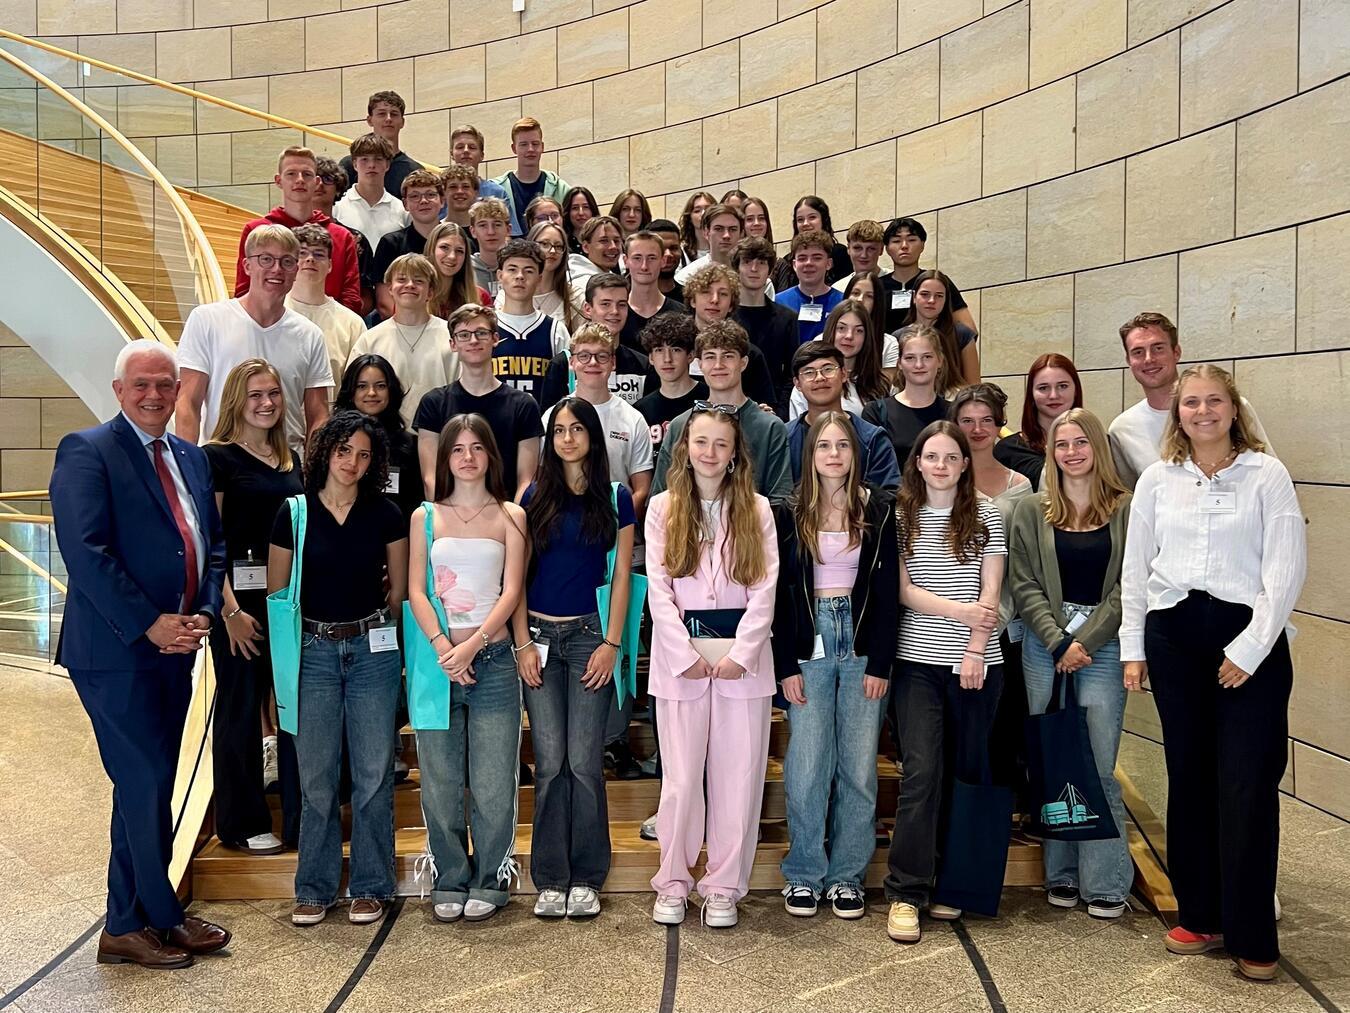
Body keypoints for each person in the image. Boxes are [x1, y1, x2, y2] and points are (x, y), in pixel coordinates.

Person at [1119, 364, 1305, 981]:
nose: (1202, 412)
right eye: (1191, 403)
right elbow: (1137, 567)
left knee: (1247, 784)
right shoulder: (1157, 479)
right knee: (1191, 779)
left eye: (1213, 401)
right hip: (1174, 640)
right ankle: (1199, 914)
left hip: (1247, 641)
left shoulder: (1265, 474)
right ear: (1177, 414)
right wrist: (1133, 647)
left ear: (1234, 409)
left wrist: (1249, 649)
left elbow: (1286, 569)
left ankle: (1253, 932)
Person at [50, 340, 229, 970]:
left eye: (165, 384)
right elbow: (86, 553)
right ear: (120, 390)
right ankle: (158, 914)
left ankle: (127, 924)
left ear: (179, 388)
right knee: (146, 779)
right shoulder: (87, 451)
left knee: (145, 785)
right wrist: (149, 623)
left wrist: (206, 610)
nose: (154, 395)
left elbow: (211, 542)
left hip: (179, 645)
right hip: (115, 651)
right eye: (142, 385)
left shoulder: (189, 456)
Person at [267, 411, 407, 928]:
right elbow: (279, 594)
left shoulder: (386, 513)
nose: (352, 462)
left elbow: (400, 588)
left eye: (364, 454)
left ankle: (372, 884)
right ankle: (316, 886)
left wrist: (381, 637)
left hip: (373, 651)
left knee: (373, 774)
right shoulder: (294, 513)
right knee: (317, 777)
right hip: (313, 654)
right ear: (325, 450)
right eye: (344, 450)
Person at [645, 404, 779, 928]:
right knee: (679, 781)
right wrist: (684, 653)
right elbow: (658, 588)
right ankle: (674, 882)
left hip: (742, 666)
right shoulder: (663, 507)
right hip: (683, 664)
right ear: (685, 448)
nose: (710, 453)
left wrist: (741, 654)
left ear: (734, 454)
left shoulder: (758, 509)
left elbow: (765, 589)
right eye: (701, 442)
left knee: (738, 779)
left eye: (721, 444)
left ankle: (723, 885)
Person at [884, 420, 1006, 944]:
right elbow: (906, 593)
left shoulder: (986, 514)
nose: (940, 465)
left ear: (963, 462)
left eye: (950, 457)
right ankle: (906, 890)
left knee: (966, 772)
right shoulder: (901, 516)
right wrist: (965, 615)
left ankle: (955, 884)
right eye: (931, 456)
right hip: (917, 664)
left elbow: (992, 591)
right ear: (918, 463)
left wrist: (975, 648)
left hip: (977, 666)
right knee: (922, 774)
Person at [512, 397, 635, 918]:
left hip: (590, 639)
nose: (567, 438)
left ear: (592, 436)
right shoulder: (532, 494)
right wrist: (521, 644)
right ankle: (550, 877)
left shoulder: (616, 496)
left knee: (584, 763)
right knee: (549, 764)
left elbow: (625, 574)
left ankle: (587, 874)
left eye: (576, 429)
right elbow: (513, 580)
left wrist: (611, 643)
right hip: (538, 637)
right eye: (558, 430)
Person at [1010, 408, 1133, 920]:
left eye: (1081, 443)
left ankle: (1105, 880)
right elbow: (1022, 581)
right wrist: (1058, 641)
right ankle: (1060, 873)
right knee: (1054, 758)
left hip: (1104, 648)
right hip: (1045, 646)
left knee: (1098, 765)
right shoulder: (1030, 511)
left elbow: (1135, 584)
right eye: (1062, 445)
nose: (1071, 453)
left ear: (1098, 448)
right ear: (1051, 452)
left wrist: (1088, 638)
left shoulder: (1127, 509)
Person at [774, 411, 899, 919]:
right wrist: (785, 663)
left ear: (856, 454)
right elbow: (779, 594)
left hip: (862, 644)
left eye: (842, 447)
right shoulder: (788, 513)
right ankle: (804, 872)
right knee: (807, 763)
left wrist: (882, 663)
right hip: (811, 641)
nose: (833, 455)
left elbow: (889, 593)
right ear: (810, 453)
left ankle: (847, 875)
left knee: (858, 765)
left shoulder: (879, 511)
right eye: (823, 446)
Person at [406, 415, 528, 922]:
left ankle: (491, 876)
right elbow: (415, 588)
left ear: (490, 456)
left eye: (478, 448)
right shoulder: (424, 515)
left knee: (495, 779)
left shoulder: (511, 515)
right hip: (438, 665)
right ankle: (450, 875)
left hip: (494, 662)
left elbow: (512, 590)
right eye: (458, 449)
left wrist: (473, 646)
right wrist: (443, 648)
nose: (468, 457)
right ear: (446, 457)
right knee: (438, 778)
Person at [204, 359, 303, 858]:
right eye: (255, 395)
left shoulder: (292, 461)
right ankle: (240, 823)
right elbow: (209, 539)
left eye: (274, 394)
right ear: (236, 402)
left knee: (291, 708)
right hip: (239, 609)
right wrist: (227, 611)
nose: (266, 403)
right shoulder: (216, 457)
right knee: (241, 709)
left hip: (287, 605)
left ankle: (298, 816)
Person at [178, 225, 332, 452]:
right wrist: (187, 467)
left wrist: (312, 472)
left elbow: (318, 416)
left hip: (286, 467)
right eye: (266, 259)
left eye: (287, 261)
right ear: (247, 266)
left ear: (296, 270)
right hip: (223, 462)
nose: (277, 269)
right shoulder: (207, 319)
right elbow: (188, 403)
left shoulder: (310, 335)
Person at [1108, 312, 1273, 489]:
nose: (1149, 359)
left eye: (1158, 348)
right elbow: (1130, 499)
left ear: (1176, 352)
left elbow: (1270, 476)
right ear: (1128, 361)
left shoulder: (1227, 409)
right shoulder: (1122, 429)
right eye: (1138, 352)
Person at [652, 320, 793, 505]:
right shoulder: (681, 425)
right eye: (710, 357)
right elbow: (661, 496)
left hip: (751, 530)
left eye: (728, 356)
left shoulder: (770, 427)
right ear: (700, 364)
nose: (718, 365)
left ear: (743, 363)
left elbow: (780, 500)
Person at [414, 304, 544, 502]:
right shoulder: (433, 403)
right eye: (464, 335)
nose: (473, 340)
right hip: (449, 519)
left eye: (481, 333)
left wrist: (512, 520)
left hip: (507, 517)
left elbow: (525, 481)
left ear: (495, 339)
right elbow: (431, 479)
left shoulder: (524, 405)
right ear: (453, 344)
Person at [235, 146, 362, 313]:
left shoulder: (341, 236)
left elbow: (351, 297)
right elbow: (244, 290)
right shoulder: (257, 230)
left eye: (307, 174)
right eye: (291, 174)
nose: (300, 180)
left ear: (316, 182)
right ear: (279, 181)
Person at [544, 322, 653, 515]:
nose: (593, 363)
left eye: (602, 356)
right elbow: (542, 480)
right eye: (584, 356)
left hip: (619, 533)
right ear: (572, 362)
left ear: (613, 362)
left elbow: (641, 490)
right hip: (563, 530)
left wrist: (616, 528)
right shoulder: (552, 417)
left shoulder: (633, 419)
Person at [345, 253, 459, 427]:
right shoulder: (370, 340)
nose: (410, 285)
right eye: (402, 279)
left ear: (430, 292)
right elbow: (352, 396)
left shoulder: (451, 337)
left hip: (440, 437)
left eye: (419, 280)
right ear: (390, 289)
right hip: (383, 439)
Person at [787, 342, 900, 489]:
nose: (820, 378)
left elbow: (889, 495)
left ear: (844, 374)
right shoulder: (784, 438)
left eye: (828, 369)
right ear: (797, 383)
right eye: (809, 372)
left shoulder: (872, 439)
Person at [539, 273, 650, 410]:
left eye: (621, 305)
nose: (615, 311)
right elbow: (550, 421)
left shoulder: (643, 365)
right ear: (587, 309)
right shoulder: (562, 365)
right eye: (605, 304)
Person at [334, 354, 423, 521]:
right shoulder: (332, 442)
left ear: (391, 390)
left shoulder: (411, 445)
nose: (372, 393)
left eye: (380, 386)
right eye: (361, 386)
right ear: (350, 392)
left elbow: (415, 503)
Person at [682, 263, 779, 412]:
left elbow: (764, 403)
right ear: (693, 300)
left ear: (732, 305)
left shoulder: (749, 352)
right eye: (706, 292)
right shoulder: (676, 348)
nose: (714, 300)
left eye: (723, 294)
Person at [285, 223, 367, 394]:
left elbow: (357, 388)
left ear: (330, 265)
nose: (310, 259)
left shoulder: (352, 324)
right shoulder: (272, 312)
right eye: (302, 253)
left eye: (318, 254)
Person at [492, 238, 572, 404]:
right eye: (512, 270)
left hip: (541, 425)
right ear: (500, 275)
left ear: (539, 278)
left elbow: (569, 388)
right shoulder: (486, 327)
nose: (520, 276)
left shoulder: (555, 330)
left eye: (528, 271)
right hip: (491, 425)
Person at [863, 323, 950, 468]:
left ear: (939, 361)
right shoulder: (876, 412)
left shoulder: (954, 412)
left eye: (927, 357)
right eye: (910, 358)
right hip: (892, 491)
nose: (919, 365)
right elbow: (872, 470)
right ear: (899, 363)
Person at [789, 299, 890, 419]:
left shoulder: (880, 385)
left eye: (858, 331)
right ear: (830, 330)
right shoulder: (808, 381)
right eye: (841, 328)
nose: (849, 336)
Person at [994, 353, 1083, 489]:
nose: (1053, 395)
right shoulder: (1008, 451)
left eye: (1062, 386)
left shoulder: (1102, 445)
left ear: (1076, 390)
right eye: (1043, 388)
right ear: (1031, 394)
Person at [371, 170, 448, 318]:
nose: (423, 201)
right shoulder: (390, 244)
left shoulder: (457, 243)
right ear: (405, 204)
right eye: (415, 196)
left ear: (442, 201)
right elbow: (385, 303)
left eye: (430, 194)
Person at [733, 237, 797, 411]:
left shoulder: (787, 318)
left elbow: (791, 373)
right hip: (730, 408)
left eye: (761, 262)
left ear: (770, 269)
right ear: (736, 268)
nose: (754, 269)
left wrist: (779, 412)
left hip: (773, 409)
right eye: (747, 262)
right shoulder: (725, 317)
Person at [880, 217, 975, 335]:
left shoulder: (936, 282)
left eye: (911, 239)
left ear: (922, 245)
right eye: (896, 241)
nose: (904, 246)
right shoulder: (876, 286)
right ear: (887, 248)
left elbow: (968, 329)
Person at [312, 157, 376, 315]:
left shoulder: (355, 239)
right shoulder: (289, 234)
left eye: (327, 179)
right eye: (314, 178)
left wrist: (343, 321)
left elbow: (366, 294)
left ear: (338, 188)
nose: (320, 184)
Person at [636, 313, 706, 453]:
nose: (667, 359)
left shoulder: (710, 399)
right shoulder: (640, 411)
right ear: (650, 357)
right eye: (659, 350)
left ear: (691, 355)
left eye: (676, 350)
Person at [491, 117, 570, 237]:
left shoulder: (561, 188)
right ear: (514, 148)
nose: (530, 149)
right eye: (523, 144)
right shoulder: (496, 190)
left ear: (542, 147)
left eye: (535, 144)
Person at [902, 270, 980, 389]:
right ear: (914, 297)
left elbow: (974, 386)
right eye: (925, 294)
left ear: (946, 300)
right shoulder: (899, 336)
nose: (932, 300)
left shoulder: (962, 334)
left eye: (939, 296)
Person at [333, 134, 411, 251]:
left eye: (378, 159)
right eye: (364, 159)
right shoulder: (337, 208)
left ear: (387, 165)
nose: (371, 165)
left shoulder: (402, 210)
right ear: (354, 164)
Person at [338, 90, 420, 198]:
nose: (388, 119)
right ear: (370, 120)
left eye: (394, 114)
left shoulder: (413, 170)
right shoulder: (349, 165)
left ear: (402, 122)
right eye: (382, 114)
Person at [775, 230, 846, 345]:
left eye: (817, 258)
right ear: (794, 265)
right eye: (802, 258)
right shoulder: (779, 302)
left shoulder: (842, 303)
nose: (808, 263)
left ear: (828, 264)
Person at [771, 196, 853, 291]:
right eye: (800, 220)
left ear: (823, 220)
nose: (806, 223)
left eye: (812, 217)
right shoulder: (788, 260)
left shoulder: (840, 253)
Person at [622, 230, 685, 351]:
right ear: (626, 261)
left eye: (651, 258)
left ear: (662, 261)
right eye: (637, 258)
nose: (644, 266)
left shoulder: (681, 313)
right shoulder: (617, 314)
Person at [673, 203, 751, 287]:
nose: (726, 235)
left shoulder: (753, 275)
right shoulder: (687, 277)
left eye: (733, 229)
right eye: (719, 229)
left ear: (741, 234)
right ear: (706, 233)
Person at [524, 220, 581, 332]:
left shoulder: (574, 296)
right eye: (544, 244)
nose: (553, 250)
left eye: (558, 246)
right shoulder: (511, 293)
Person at [426, 221, 490, 319]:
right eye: (444, 247)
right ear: (431, 249)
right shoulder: (414, 294)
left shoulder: (480, 297)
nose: (452, 256)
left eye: (459, 251)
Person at [568, 216, 624, 307]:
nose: (613, 246)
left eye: (616, 241)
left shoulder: (613, 278)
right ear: (586, 247)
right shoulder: (581, 287)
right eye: (604, 241)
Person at [449, 123, 510, 206]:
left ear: (482, 155)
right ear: (452, 154)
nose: (466, 150)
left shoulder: (497, 193)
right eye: (460, 147)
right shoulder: (441, 194)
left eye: (472, 147)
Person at [469, 197, 512, 297]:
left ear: (508, 229)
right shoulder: (466, 268)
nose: (491, 232)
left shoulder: (519, 266)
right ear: (473, 231)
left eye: (497, 225)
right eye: (483, 225)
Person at [830, 220, 885, 291]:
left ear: (881, 250)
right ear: (848, 249)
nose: (864, 255)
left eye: (871, 249)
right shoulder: (838, 288)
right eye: (857, 248)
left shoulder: (894, 282)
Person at [648, 217, 686, 300]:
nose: (668, 254)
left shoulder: (690, 298)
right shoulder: (627, 297)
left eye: (674, 248)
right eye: (661, 248)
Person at [676, 191, 716, 265]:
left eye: (708, 209)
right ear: (689, 218)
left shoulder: (725, 248)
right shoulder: (682, 253)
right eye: (697, 211)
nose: (703, 213)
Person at [440, 163, 480, 231]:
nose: (459, 191)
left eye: (465, 186)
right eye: (453, 187)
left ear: (475, 193)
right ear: (444, 193)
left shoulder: (484, 232)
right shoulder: (436, 232)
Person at [563, 186, 600, 254]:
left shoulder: (602, 239)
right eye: (575, 208)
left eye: (586, 207)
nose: (581, 213)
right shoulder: (562, 243)